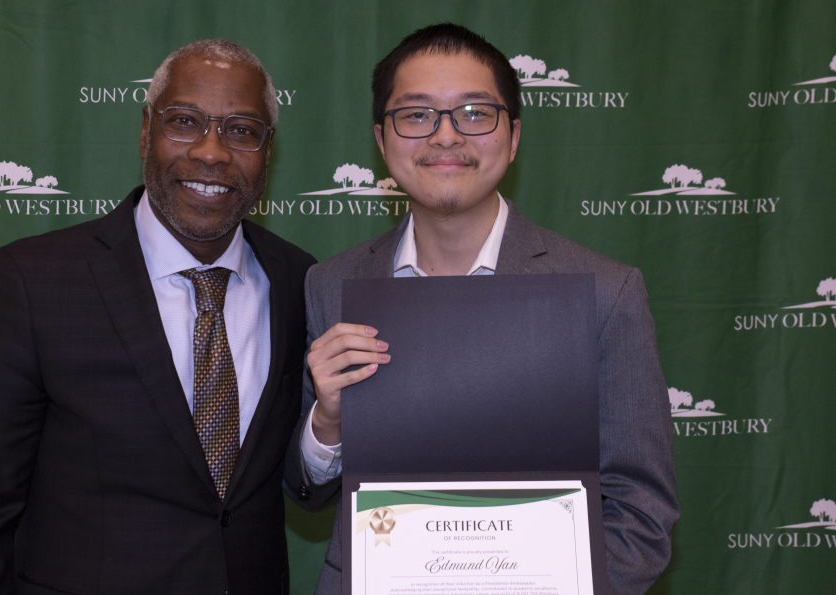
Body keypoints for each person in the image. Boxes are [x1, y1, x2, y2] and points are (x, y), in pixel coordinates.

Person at [287, 24, 679, 595]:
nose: (446, 137)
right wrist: (326, 425)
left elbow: (640, 519)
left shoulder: (604, 292)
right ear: (382, 139)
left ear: (514, 136)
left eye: (474, 112)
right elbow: (309, 491)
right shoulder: (332, 285)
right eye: (417, 114)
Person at [0, 39, 316, 594]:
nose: (212, 151)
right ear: (145, 131)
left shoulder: (301, 282)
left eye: (241, 129)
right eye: (185, 122)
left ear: (267, 150)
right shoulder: (30, 281)